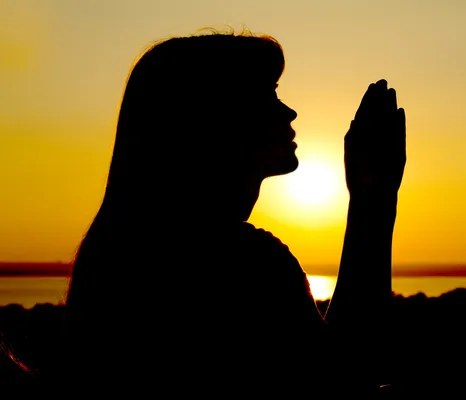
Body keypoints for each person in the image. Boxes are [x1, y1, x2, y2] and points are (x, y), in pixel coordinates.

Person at [60, 28, 406, 397]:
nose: (289, 110)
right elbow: (345, 378)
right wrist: (375, 198)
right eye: (269, 94)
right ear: (218, 116)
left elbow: (328, 361)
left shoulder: (117, 250)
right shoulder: (242, 260)